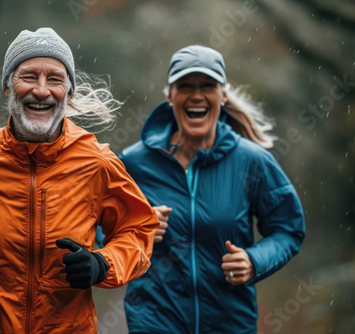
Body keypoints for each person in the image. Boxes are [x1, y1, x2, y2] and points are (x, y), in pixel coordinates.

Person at [0, 27, 159, 333]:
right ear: (7, 88)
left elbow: (139, 229)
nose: (41, 90)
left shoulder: (97, 163)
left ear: (68, 92)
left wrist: (102, 264)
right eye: (28, 76)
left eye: (54, 79)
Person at [115, 45, 306, 333]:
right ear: (170, 96)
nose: (196, 95)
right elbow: (97, 231)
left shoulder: (251, 162)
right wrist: (135, 230)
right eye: (185, 86)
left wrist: (254, 262)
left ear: (223, 95)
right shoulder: (134, 163)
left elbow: (288, 229)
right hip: (154, 320)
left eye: (207, 85)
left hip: (228, 323)